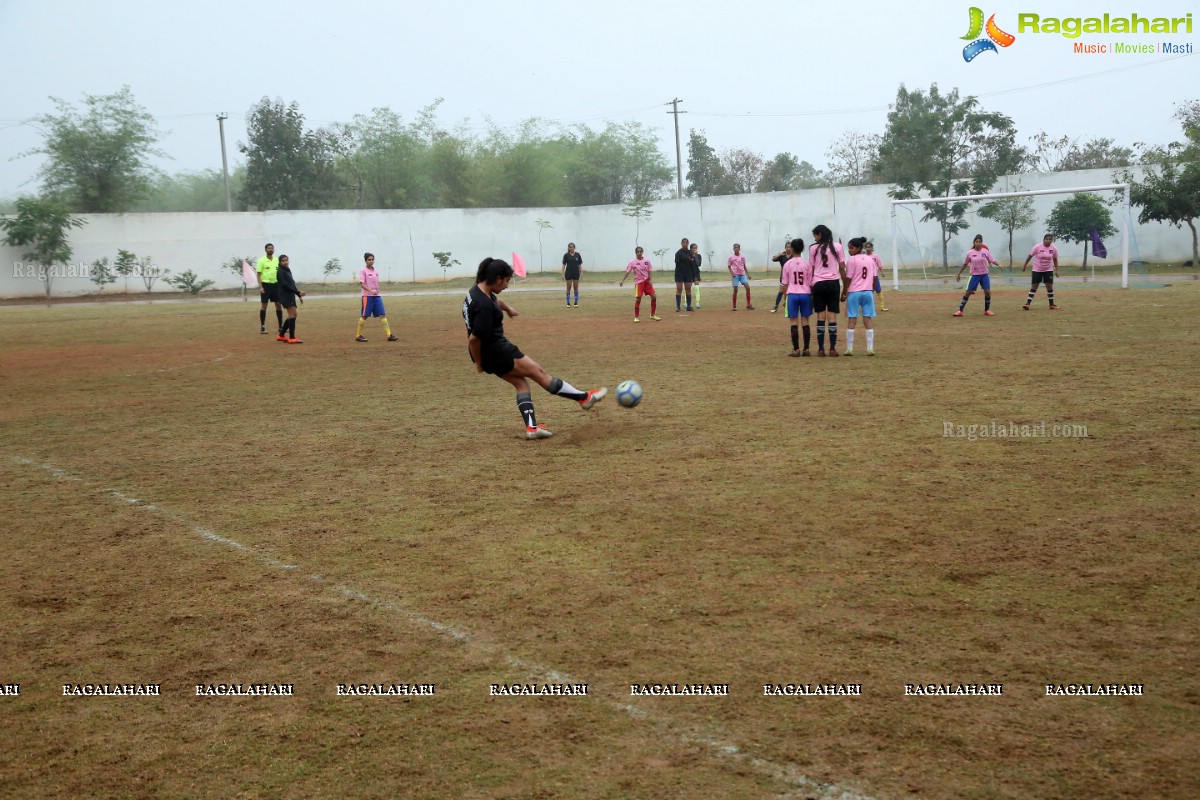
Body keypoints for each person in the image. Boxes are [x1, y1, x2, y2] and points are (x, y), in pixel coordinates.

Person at [463, 257, 607, 440]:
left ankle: (532, 428)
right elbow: (474, 339)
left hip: (489, 354)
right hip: (497, 351)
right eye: (506, 281)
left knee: (521, 383)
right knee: (539, 373)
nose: (507, 285)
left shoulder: (476, 293)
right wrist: (479, 364)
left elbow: (495, 302)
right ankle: (583, 398)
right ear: (498, 278)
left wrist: (507, 309)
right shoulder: (483, 305)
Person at [809, 225, 848, 356]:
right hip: (833, 283)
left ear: (820, 234)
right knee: (832, 316)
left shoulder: (813, 248)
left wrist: (810, 287)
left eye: (815, 235)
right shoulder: (837, 247)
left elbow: (812, 268)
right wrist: (845, 288)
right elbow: (842, 268)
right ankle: (832, 348)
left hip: (818, 283)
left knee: (820, 316)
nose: (814, 238)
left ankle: (820, 349)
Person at [840, 238, 878, 356]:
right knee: (867, 318)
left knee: (852, 318)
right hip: (867, 292)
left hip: (854, 292)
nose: (849, 250)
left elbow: (848, 278)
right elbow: (874, 278)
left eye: (851, 248)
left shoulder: (852, 260)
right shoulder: (870, 259)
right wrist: (872, 290)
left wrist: (844, 292)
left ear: (857, 248)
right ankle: (870, 348)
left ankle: (850, 349)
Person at [779, 239, 813, 356]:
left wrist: (784, 297)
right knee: (805, 321)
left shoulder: (787, 264)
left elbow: (784, 284)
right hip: (805, 294)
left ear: (792, 248)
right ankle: (807, 349)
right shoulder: (807, 263)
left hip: (792, 294)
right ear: (802, 249)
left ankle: (796, 349)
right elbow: (810, 282)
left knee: (793, 321)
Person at [355, 253, 399, 342]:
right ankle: (358, 335)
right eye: (369, 260)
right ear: (365, 261)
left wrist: (376, 291)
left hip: (377, 296)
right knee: (365, 316)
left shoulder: (375, 271)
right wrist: (370, 291)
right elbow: (361, 284)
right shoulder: (363, 271)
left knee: (382, 314)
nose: (371, 261)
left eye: (372, 259)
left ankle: (389, 335)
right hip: (367, 296)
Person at [954, 234, 1000, 317]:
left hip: (984, 275)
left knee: (987, 292)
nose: (978, 243)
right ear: (974, 243)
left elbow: (992, 260)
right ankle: (960, 311)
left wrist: (999, 265)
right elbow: (965, 264)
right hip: (975, 275)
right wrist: (959, 273)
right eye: (976, 242)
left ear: (982, 243)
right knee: (968, 293)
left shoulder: (985, 251)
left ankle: (987, 310)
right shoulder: (970, 253)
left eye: (980, 242)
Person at [618, 246, 661, 322]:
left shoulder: (647, 260)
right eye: (638, 252)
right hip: (639, 283)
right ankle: (636, 317)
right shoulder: (632, 262)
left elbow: (650, 270)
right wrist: (622, 280)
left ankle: (652, 315)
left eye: (640, 251)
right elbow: (628, 271)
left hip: (647, 282)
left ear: (642, 252)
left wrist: (650, 280)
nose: (639, 253)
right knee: (638, 299)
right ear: (635, 253)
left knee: (654, 297)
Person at [1021, 234, 1061, 311]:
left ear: (1052, 240)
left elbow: (1055, 259)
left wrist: (1057, 270)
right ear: (1043, 240)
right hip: (1037, 270)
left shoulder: (1054, 248)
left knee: (1049, 286)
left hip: (1048, 270)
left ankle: (1052, 305)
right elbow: (1029, 256)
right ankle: (1027, 304)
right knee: (1034, 286)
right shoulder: (1037, 247)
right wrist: (1024, 265)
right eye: (1047, 239)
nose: (1048, 240)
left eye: (1050, 239)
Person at [275, 255, 305, 344]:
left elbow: (292, 283)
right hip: (285, 295)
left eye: (286, 260)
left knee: (292, 315)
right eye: (283, 261)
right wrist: (298, 292)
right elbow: (285, 286)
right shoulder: (280, 272)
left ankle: (281, 335)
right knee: (293, 315)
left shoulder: (287, 270)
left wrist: (298, 294)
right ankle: (292, 337)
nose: (285, 262)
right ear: (280, 262)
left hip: (290, 295)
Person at [256, 243, 282, 335]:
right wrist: (260, 287)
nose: (270, 249)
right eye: (269, 248)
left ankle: (280, 327)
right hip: (266, 285)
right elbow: (258, 274)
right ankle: (262, 327)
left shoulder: (277, 260)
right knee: (264, 305)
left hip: (276, 285)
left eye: (272, 248)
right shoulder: (261, 261)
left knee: (278, 304)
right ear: (265, 250)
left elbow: (280, 273)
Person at [727, 243, 754, 310]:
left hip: (742, 274)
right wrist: (732, 273)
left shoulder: (742, 256)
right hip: (735, 275)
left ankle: (748, 304)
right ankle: (734, 306)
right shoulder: (731, 257)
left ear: (739, 248)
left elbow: (744, 265)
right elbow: (729, 266)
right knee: (735, 290)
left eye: (737, 247)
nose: (736, 249)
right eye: (735, 247)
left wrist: (748, 274)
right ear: (733, 249)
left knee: (748, 288)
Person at [865, 241, 889, 311]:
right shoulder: (864, 257)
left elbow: (879, 265)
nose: (868, 249)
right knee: (869, 292)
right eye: (867, 247)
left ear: (872, 248)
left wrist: (882, 272)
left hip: (874, 276)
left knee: (878, 290)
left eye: (869, 247)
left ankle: (882, 306)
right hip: (867, 277)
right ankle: (868, 307)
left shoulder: (875, 256)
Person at [674, 238, 695, 312]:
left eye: (686, 243)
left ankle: (689, 306)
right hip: (679, 273)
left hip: (688, 273)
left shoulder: (690, 253)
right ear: (681, 243)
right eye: (684, 243)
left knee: (688, 288)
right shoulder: (678, 253)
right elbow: (677, 263)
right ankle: (678, 306)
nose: (685, 244)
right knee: (679, 289)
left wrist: (694, 275)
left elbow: (693, 263)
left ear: (688, 244)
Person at [561, 243, 583, 308]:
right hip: (568, 273)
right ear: (568, 248)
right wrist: (562, 274)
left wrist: (581, 273)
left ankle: (576, 303)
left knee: (576, 288)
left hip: (576, 273)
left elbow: (580, 265)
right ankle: (568, 303)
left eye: (572, 247)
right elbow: (563, 265)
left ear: (574, 248)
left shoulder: (577, 255)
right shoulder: (566, 255)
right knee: (569, 288)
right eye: (570, 247)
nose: (571, 248)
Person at [770, 240, 790, 313]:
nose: (788, 248)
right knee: (781, 291)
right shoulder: (782, 256)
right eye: (787, 247)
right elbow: (773, 259)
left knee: (788, 292)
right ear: (785, 248)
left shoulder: (793, 256)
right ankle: (776, 305)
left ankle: (787, 305)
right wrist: (779, 254)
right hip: (784, 276)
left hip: (791, 277)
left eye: (790, 247)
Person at [689, 243, 703, 308]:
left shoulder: (699, 256)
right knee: (688, 288)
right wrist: (692, 257)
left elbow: (698, 264)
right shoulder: (688, 255)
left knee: (696, 287)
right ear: (691, 249)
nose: (695, 249)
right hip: (689, 273)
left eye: (696, 248)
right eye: (693, 248)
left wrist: (695, 256)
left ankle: (697, 302)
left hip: (696, 272)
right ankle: (686, 303)